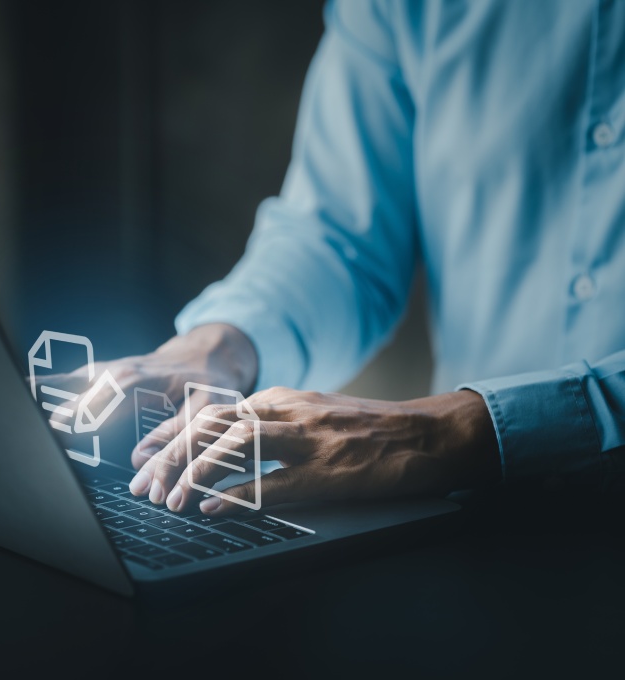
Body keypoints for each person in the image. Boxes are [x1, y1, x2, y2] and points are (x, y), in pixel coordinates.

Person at [43, 0, 625, 516]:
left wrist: (452, 433)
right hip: (477, 527)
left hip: (468, 483)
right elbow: (342, 235)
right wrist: (219, 347)